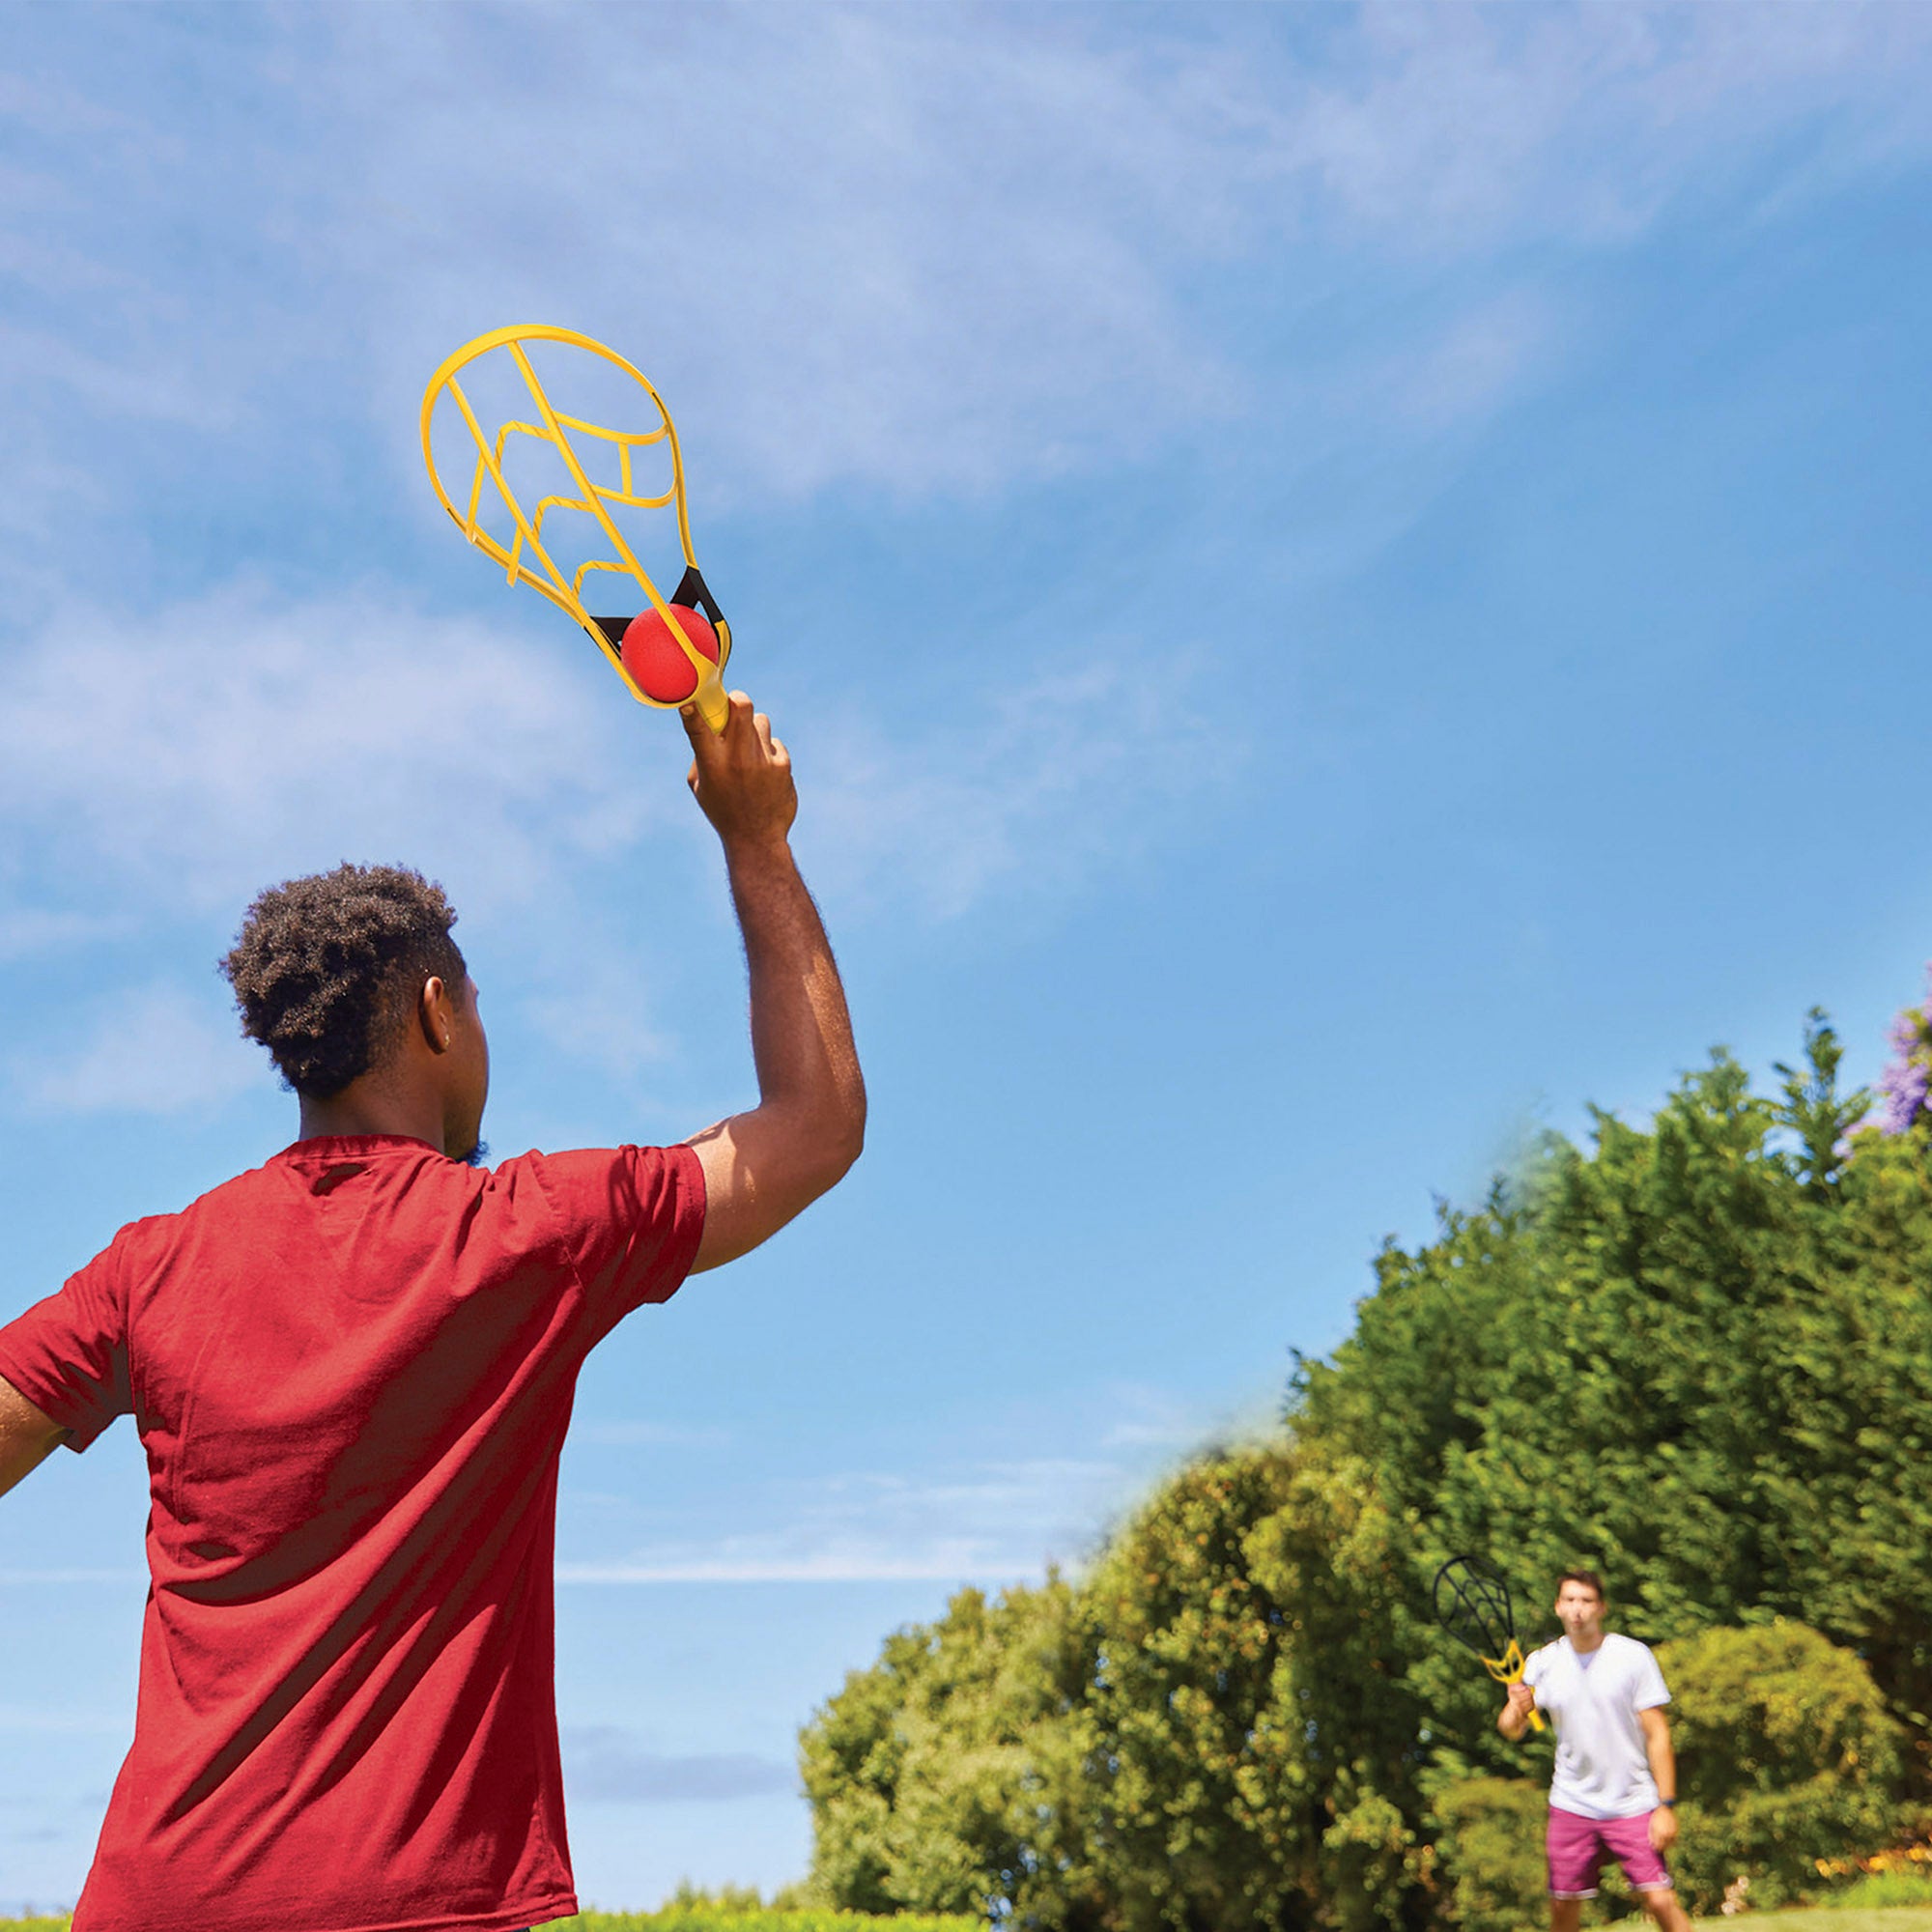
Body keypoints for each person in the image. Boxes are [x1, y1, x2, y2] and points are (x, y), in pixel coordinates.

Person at [0, 694, 865, 1932]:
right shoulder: (527, 1232)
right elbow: (814, 1125)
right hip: (410, 1910)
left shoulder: (152, 1267)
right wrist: (756, 838)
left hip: (159, 1898)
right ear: (435, 1011)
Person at [1499, 1570, 1692, 1932]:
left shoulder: (1632, 1656)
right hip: (1571, 1801)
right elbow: (1510, 1728)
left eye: (1586, 1601)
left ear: (1601, 1608)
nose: (1578, 1609)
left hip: (1633, 1802)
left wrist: (1665, 1805)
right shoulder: (1543, 1662)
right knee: (1562, 1906)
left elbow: (1658, 1734)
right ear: (1558, 1607)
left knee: (1660, 1900)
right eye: (1570, 1600)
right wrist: (1516, 1707)